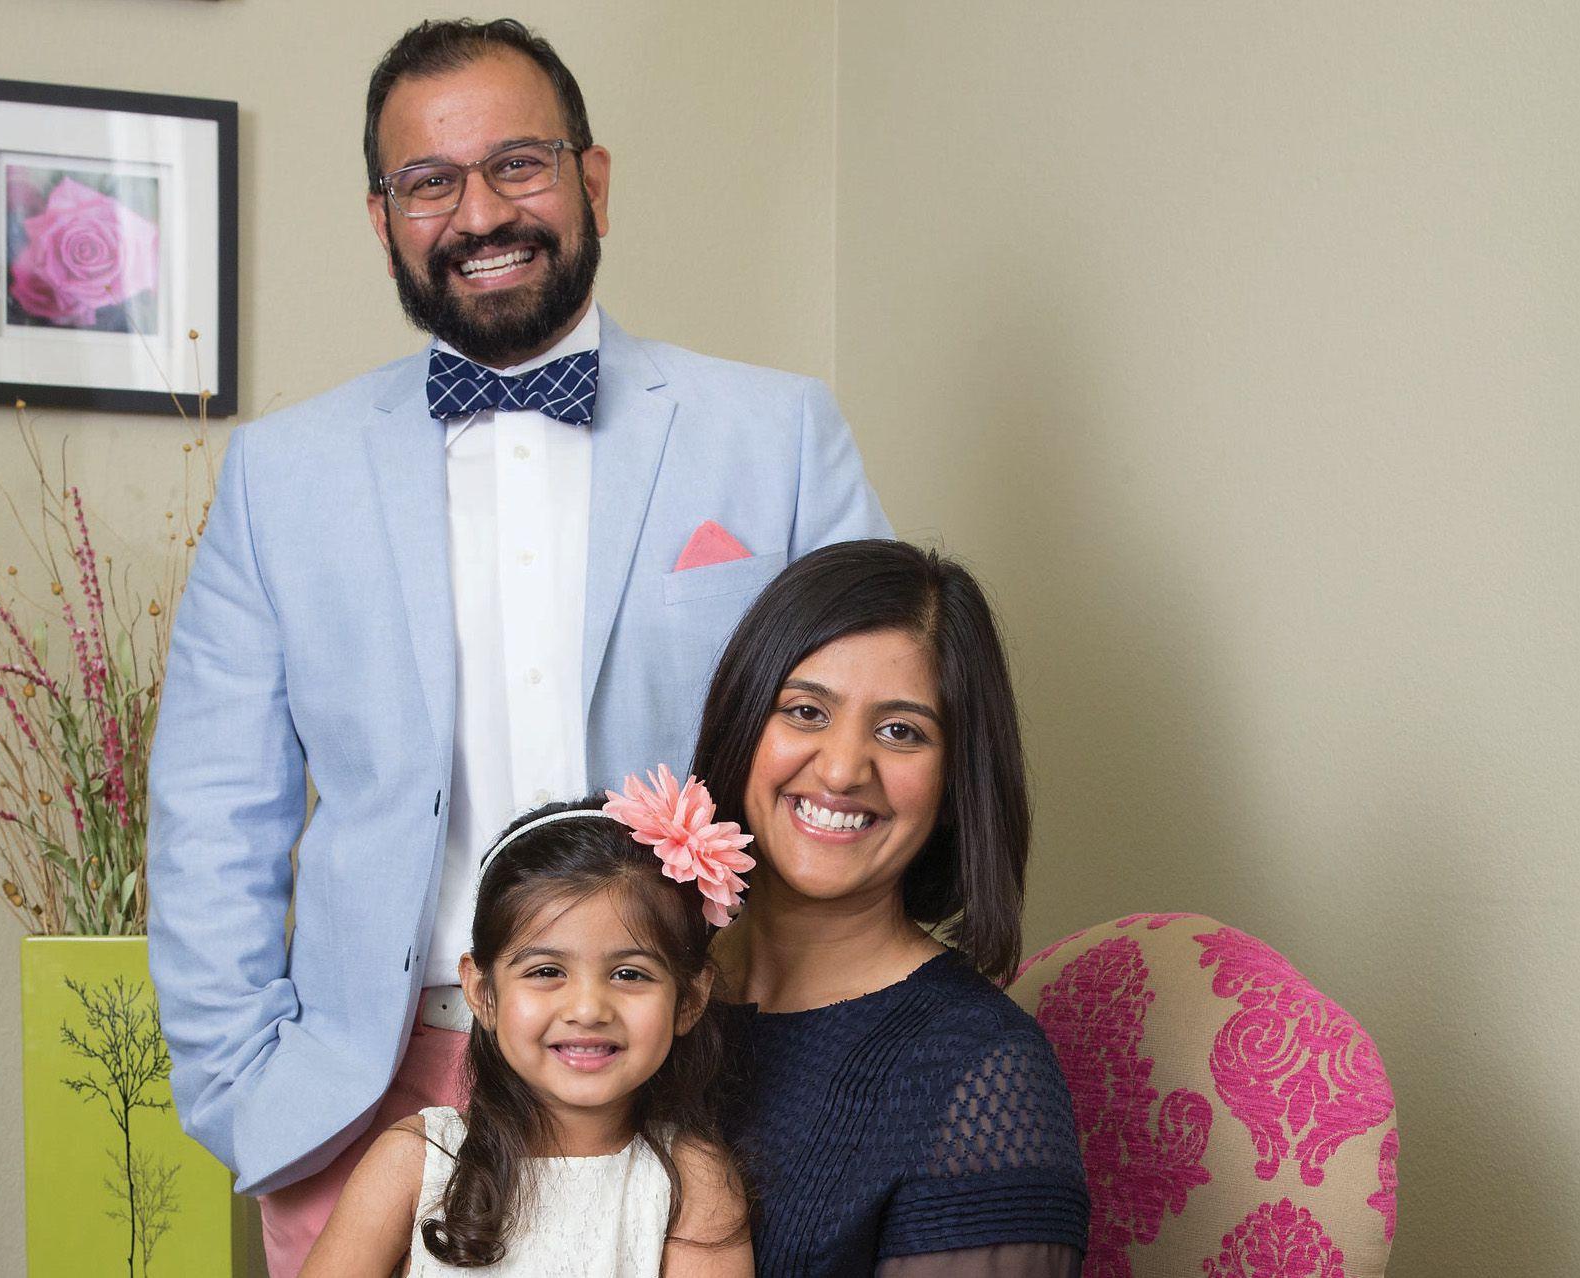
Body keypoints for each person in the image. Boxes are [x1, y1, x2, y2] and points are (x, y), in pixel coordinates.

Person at [146, 16, 888, 1276]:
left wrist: (816, 1032)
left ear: (592, 179)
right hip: (370, 1090)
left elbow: (861, 753)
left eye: (518, 165)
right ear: (382, 219)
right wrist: (244, 1084)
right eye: (429, 182)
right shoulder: (280, 475)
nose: (480, 212)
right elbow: (212, 812)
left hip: (701, 1071)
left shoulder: (778, 435)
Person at [692, 540, 1090, 1277]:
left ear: (955, 781)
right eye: (805, 711)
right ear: (740, 726)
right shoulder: (626, 991)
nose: (842, 769)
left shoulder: (982, 1072)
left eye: (900, 730)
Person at [298, 772, 755, 1277]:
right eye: (546, 972)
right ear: (482, 992)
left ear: (690, 998)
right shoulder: (415, 1161)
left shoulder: (694, 1181)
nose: (588, 1009)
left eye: (629, 974)